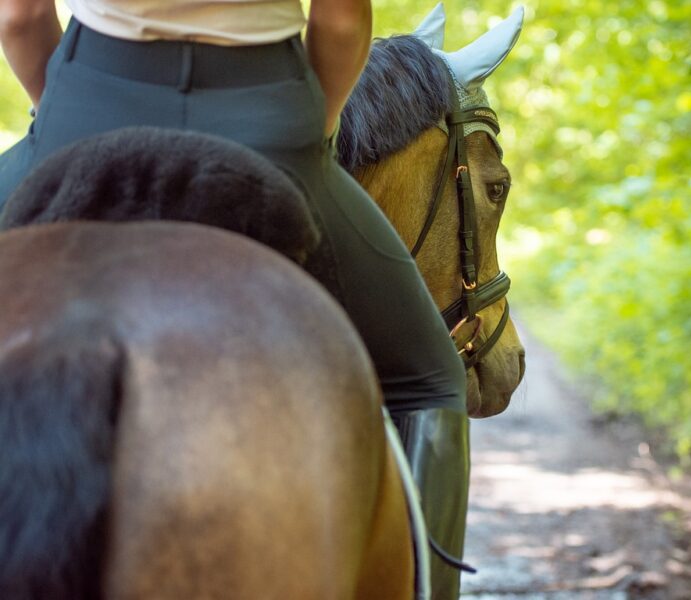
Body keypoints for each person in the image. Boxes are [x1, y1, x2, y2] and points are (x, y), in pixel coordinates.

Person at [0, 1, 471, 597]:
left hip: (88, 105)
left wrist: (63, 115)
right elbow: (344, 20)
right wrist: (309, 139)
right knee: (431, 381)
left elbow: (19, 17)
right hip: (266, 117)